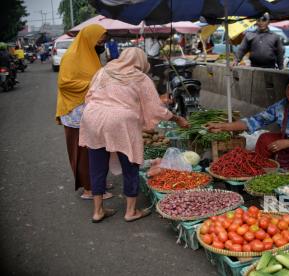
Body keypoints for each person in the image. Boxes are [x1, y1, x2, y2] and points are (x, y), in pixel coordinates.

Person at [79, 47, 189, 223]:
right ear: (140, 61)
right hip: (121, 121)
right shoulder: (139, 77)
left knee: (97, 166)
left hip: (92, 117)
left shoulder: (103, 71)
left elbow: (89, 95)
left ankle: (97, 211)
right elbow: (156, 107)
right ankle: (131, 211)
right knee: (131, 164)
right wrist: (177, 119)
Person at [207, 74, 289, 179]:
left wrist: (287, 143)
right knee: (265, 138)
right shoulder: (281, 106)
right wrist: (223, 126)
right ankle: (261, 175)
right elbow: (255, 121)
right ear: (285, 89)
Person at [55, 24, 112, 200]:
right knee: (83, 152)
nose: (101, 44)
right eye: (99, 40)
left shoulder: (90, 54)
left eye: (102, 41)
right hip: (75, 112)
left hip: (89, 110)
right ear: (88, 39)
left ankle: (96, 183)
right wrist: (93, 84)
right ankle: (89, 189)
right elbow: (64, 83)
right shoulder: (71, 57)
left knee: (95, 149)